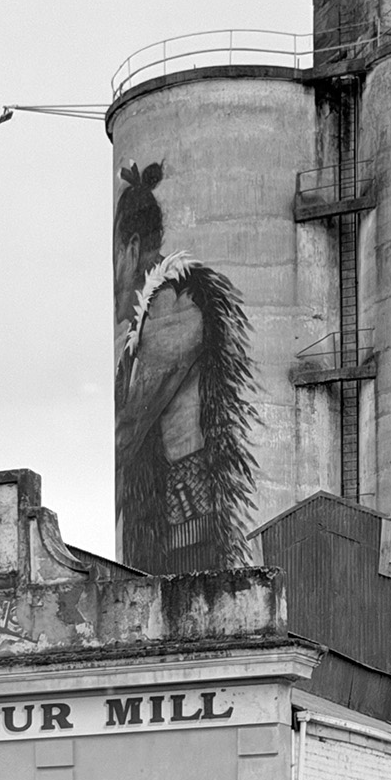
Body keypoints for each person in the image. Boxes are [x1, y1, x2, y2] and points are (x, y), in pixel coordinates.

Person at [113, 160, 260, 573]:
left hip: (184, 521)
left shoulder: (173, 304)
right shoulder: (158, 312)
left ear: (131, 247)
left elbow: (129, 424)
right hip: (176, 517)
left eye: (114, 259)